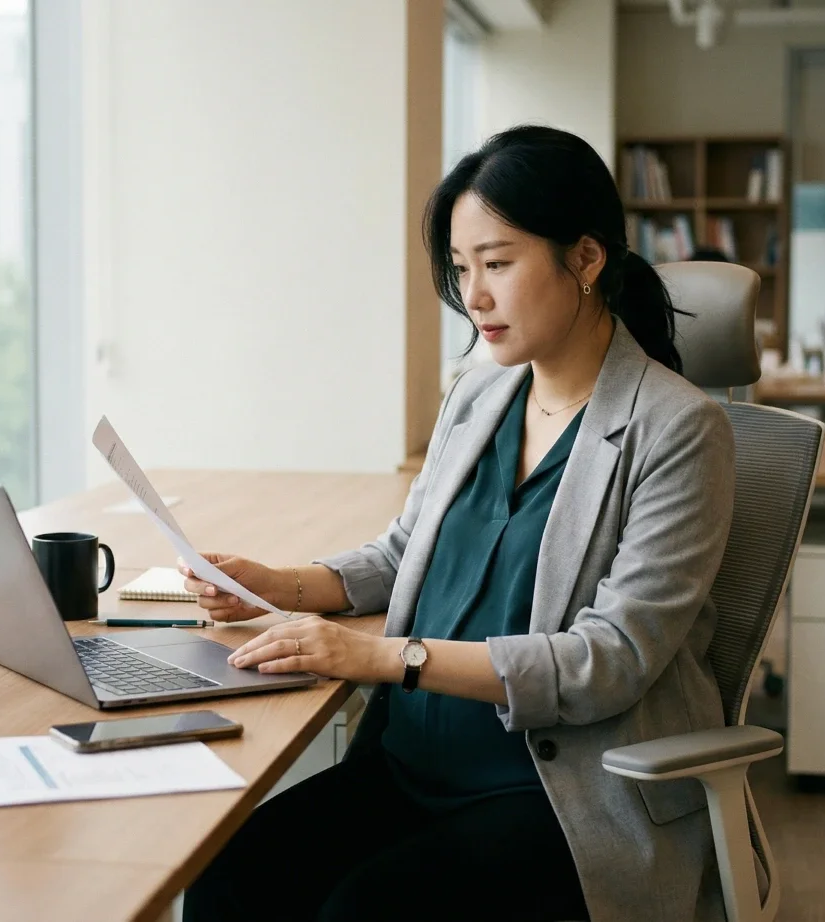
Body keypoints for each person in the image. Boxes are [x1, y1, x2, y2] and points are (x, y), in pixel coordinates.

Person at [181, 125, 735, 922]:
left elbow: (610, 659)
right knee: (229, 878)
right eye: (462, 267)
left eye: (497, 264)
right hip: (410, 765)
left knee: (363, 912)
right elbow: (406, 553)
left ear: (585, 258)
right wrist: (277, 586)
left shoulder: (678, 429)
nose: (473, 296)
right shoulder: (480, 394)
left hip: (556, 793)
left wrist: (386, 657)